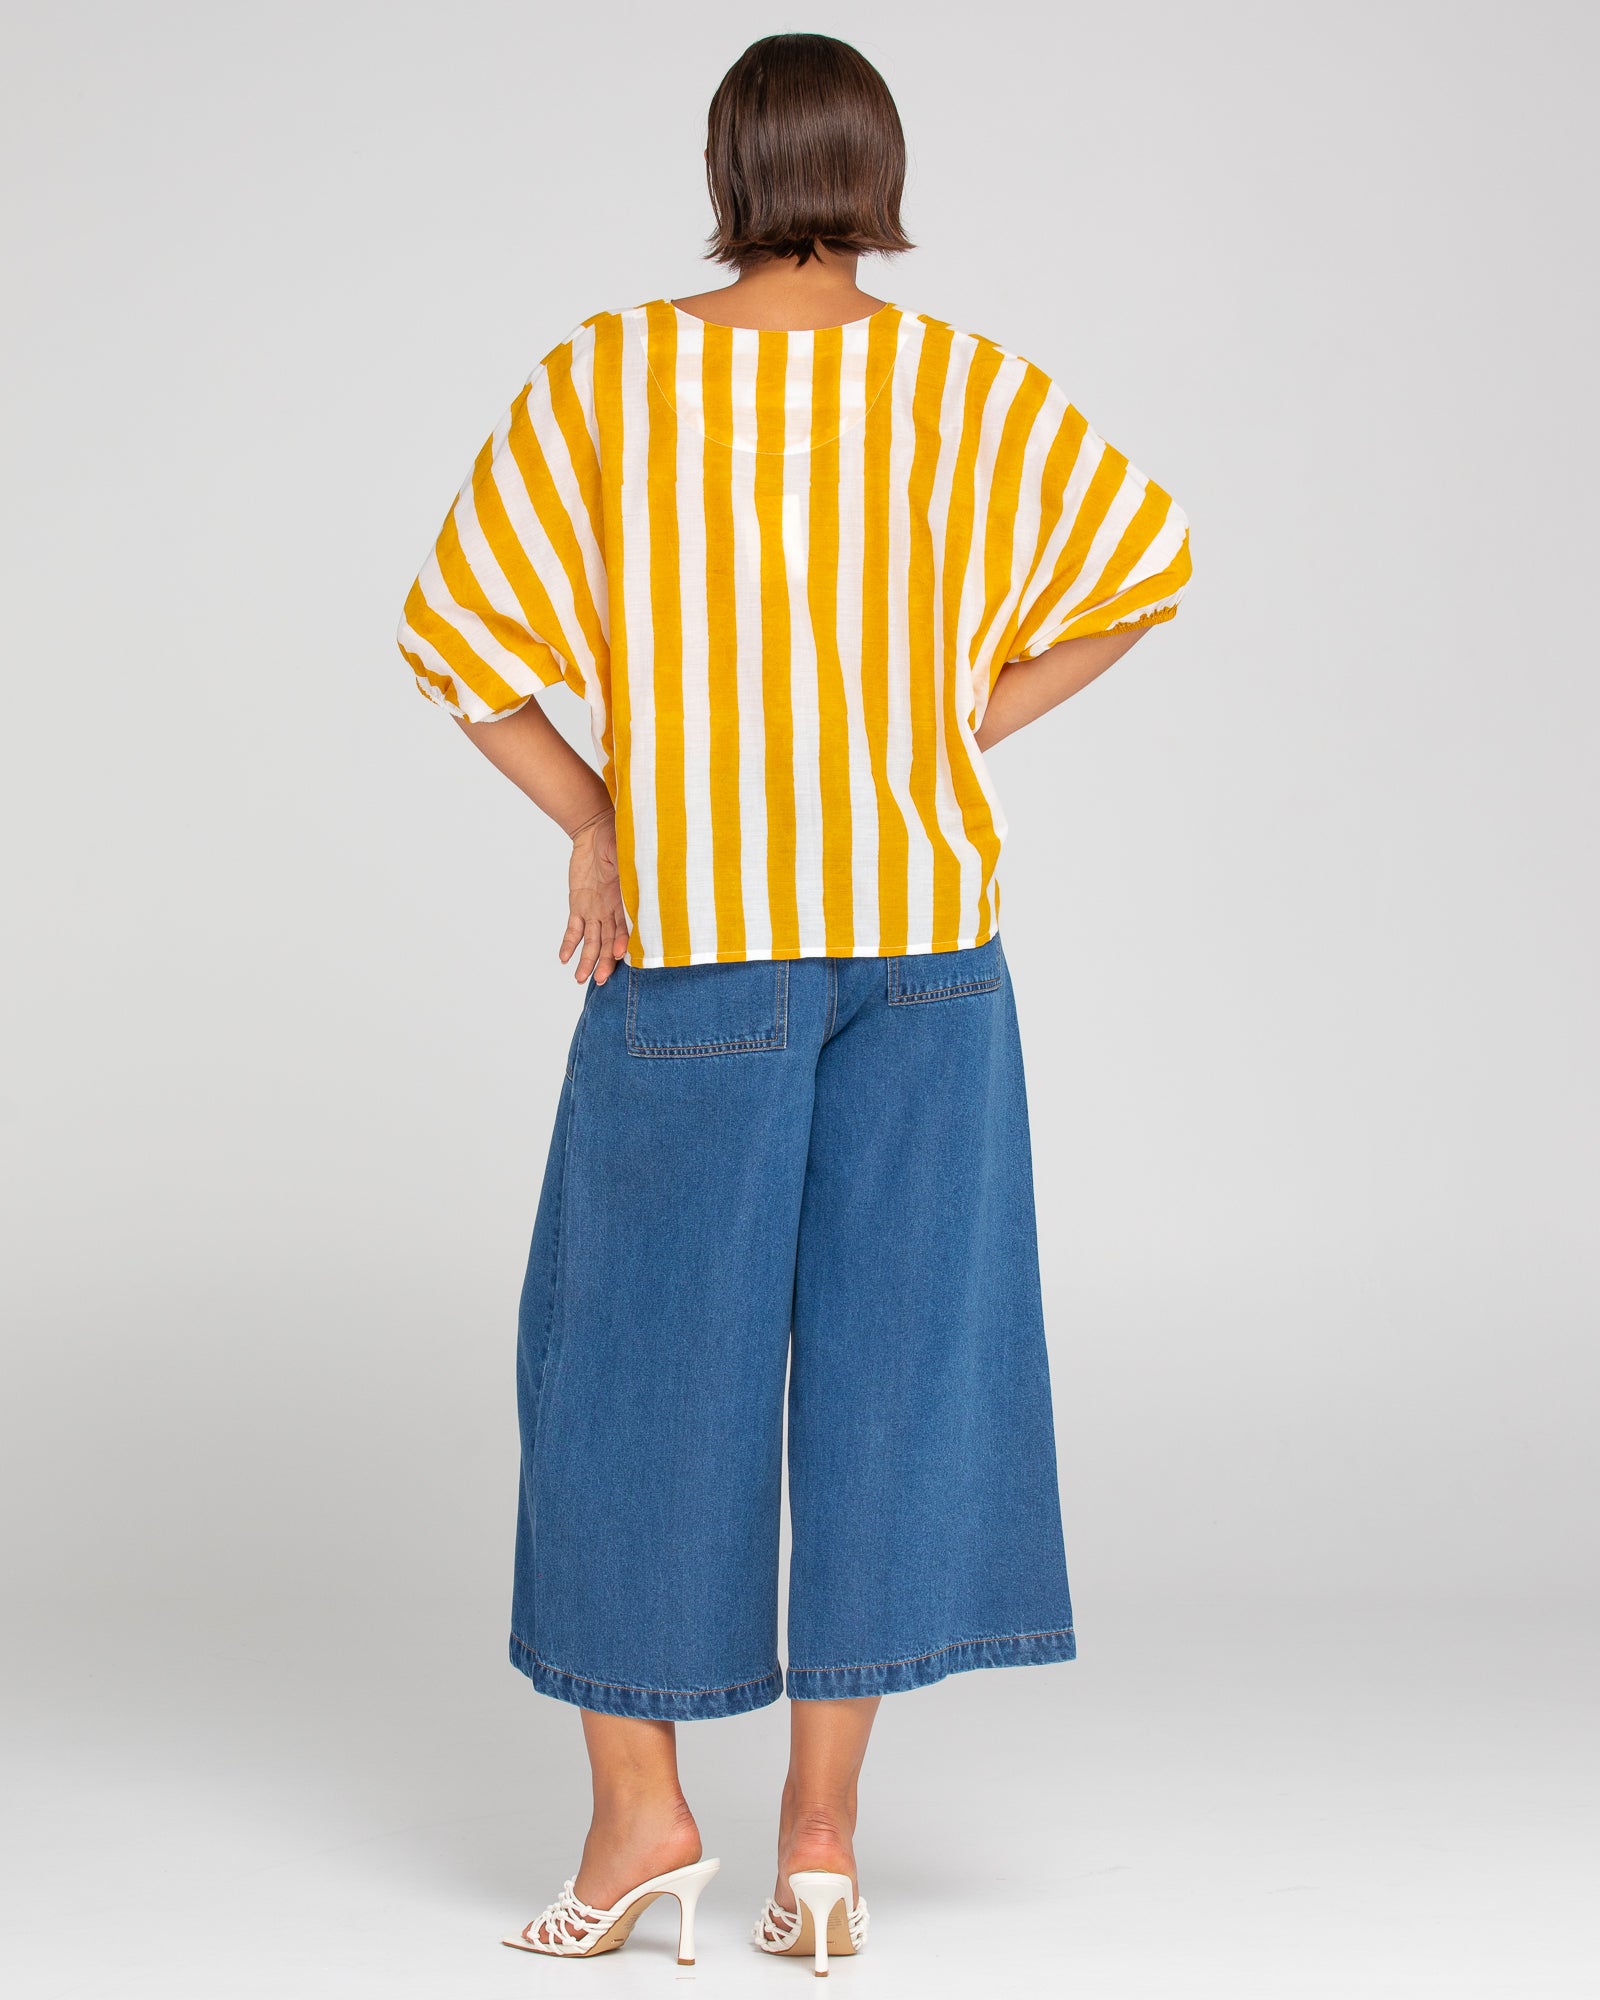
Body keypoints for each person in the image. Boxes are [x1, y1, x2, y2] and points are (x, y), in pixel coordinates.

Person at [396, 29, 1192, 1972]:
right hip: (927, 955)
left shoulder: (608, 380)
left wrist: (600, 816)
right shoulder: (961, 385)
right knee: (888, 1379)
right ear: (876, 176)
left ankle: (640, 1824)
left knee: (628, 1379)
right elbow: (1142, 563)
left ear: (727, 173)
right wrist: (952, 727)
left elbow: (453, 636)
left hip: (704, 953)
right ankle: (819, 1847)